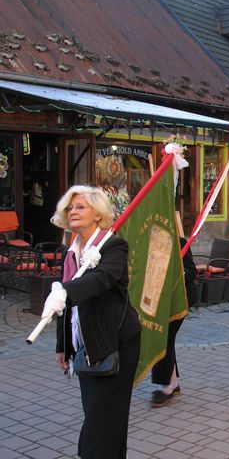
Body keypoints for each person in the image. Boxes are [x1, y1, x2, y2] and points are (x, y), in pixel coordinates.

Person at [47, 185, 141, 458]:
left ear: (98, 214)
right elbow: (66, 306)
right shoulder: (70, 252)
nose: (73, 211)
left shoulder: (113, 245)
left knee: (100, 424)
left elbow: (102, 280)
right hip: (84, 346)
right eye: (70, 208)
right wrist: (62, 345)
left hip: (115, 344)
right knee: (103, 421)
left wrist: (65, 291)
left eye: (80, 207)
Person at [150, 237, 195, 406]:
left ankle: (164, 388)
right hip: (159, 303)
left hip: (178, 303)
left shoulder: (180, 242)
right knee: (165, 340)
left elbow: (191, 271)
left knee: (163, 340)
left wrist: (175, 274)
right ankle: (173, 384)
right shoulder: (149, 243)